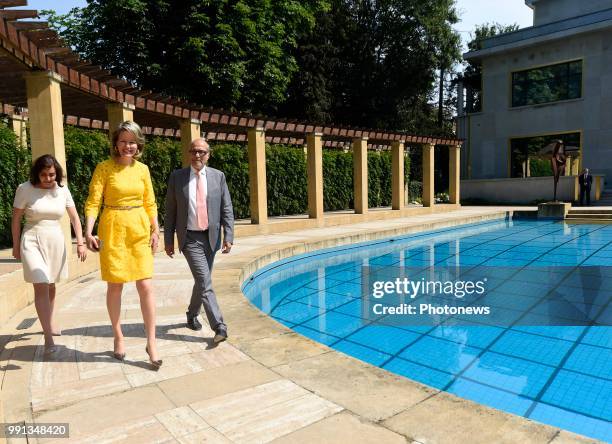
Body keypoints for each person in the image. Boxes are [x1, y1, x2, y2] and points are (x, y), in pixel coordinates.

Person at [84, 121, 162, 368]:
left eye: (132, 141)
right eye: (123, 141)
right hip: (113, 227)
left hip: (139, 227)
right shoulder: (104, 169)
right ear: (115, 144)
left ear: (138, 144)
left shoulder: (143, 170)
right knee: (115, 285)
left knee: (146, 285)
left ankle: (152, 341)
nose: (128, 146)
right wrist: (88, 232)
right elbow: (93, 201)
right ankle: (118, 335)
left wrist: (155, 230)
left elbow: (150, 202)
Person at [12, 155, 87, 353]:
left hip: (55, 239)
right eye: (43, 174)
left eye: (52, 174)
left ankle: (50, 321)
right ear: (37, 173)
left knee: (51, 283)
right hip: (32, 239)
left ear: (57, 173)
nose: (48, 178)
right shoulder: (24, 189)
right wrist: (15, 245)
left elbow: (74, 218)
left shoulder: (62, 190)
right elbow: (16, 219)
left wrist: (80, 242)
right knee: (41, 282)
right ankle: (48, 338)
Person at [164, 138, 234, 343]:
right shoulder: (177, 177)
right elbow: (170, 212)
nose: (197, 155)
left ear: (208, 154)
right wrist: (168, 240)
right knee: (205, 280)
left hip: (211, 238)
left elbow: (226, 208)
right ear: (189, 153)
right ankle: (219, 326)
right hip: (190, 238)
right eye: (194, 151)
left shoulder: (218, 177)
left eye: (202, 152)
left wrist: (228, 235)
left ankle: (191, 314)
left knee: (201, 280)